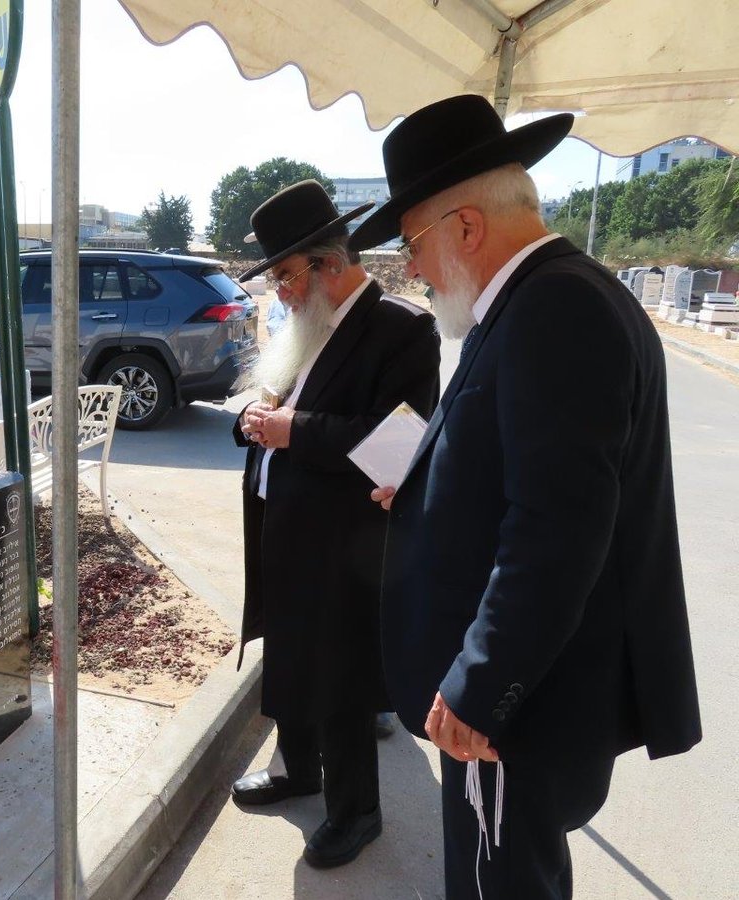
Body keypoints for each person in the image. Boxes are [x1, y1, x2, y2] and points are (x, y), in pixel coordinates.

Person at [348, 94, 701, 898]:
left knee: (499, 887)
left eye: (413, 246)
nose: (415, 271)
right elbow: (524, 471)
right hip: (523, 697)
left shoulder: (556, 309)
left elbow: (560, 525)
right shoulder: (535, 301)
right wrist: (426, 484)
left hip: (515, 710)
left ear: (466, 228)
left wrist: (481, 686)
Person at [230, 180, 440, 868]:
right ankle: (299, 771)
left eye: (286, 276)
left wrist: (296, 430)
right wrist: (251, 423)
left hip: (344, 543)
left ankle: (357, 813)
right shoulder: (305, 324)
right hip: (282, 528)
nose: (281, 292)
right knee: (290, 655)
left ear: (327, 263)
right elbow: (267, 404)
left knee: (342, 680)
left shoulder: (401, 329)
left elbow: (401, 441)